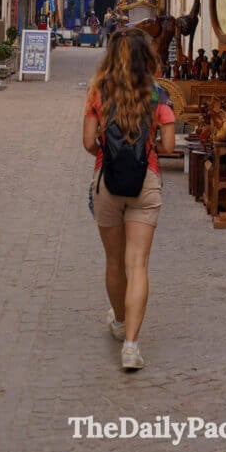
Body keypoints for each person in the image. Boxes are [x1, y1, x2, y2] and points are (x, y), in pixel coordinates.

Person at [82, 29, 175, 371]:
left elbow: (88, 142)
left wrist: (109, 151)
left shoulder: (99, 92)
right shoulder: (159, 95)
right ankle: (132, 347)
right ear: (145, 58)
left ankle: (120, 322)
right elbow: (167, 147)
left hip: (107, 182)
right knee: (138, 265)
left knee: (114, 261)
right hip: (145, 182)